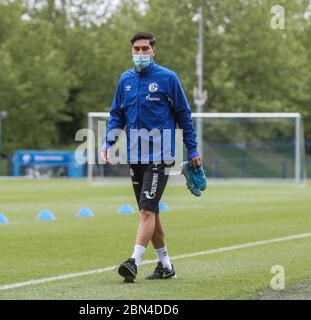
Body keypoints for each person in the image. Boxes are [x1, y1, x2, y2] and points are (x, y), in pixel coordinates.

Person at [101, 31, 201, 283]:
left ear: (153, 51)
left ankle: (133, 261)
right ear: (132, 51)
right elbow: (117, 115)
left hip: (160, 155)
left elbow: (184, 115)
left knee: (146, 211)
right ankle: (166, 265)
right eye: (137, 49)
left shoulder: (168, 78)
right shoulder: (125, 80)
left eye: (146, 49)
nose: (141, 53)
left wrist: (192, 149)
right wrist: (108, 142)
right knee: (151, 211)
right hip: (135, 156)